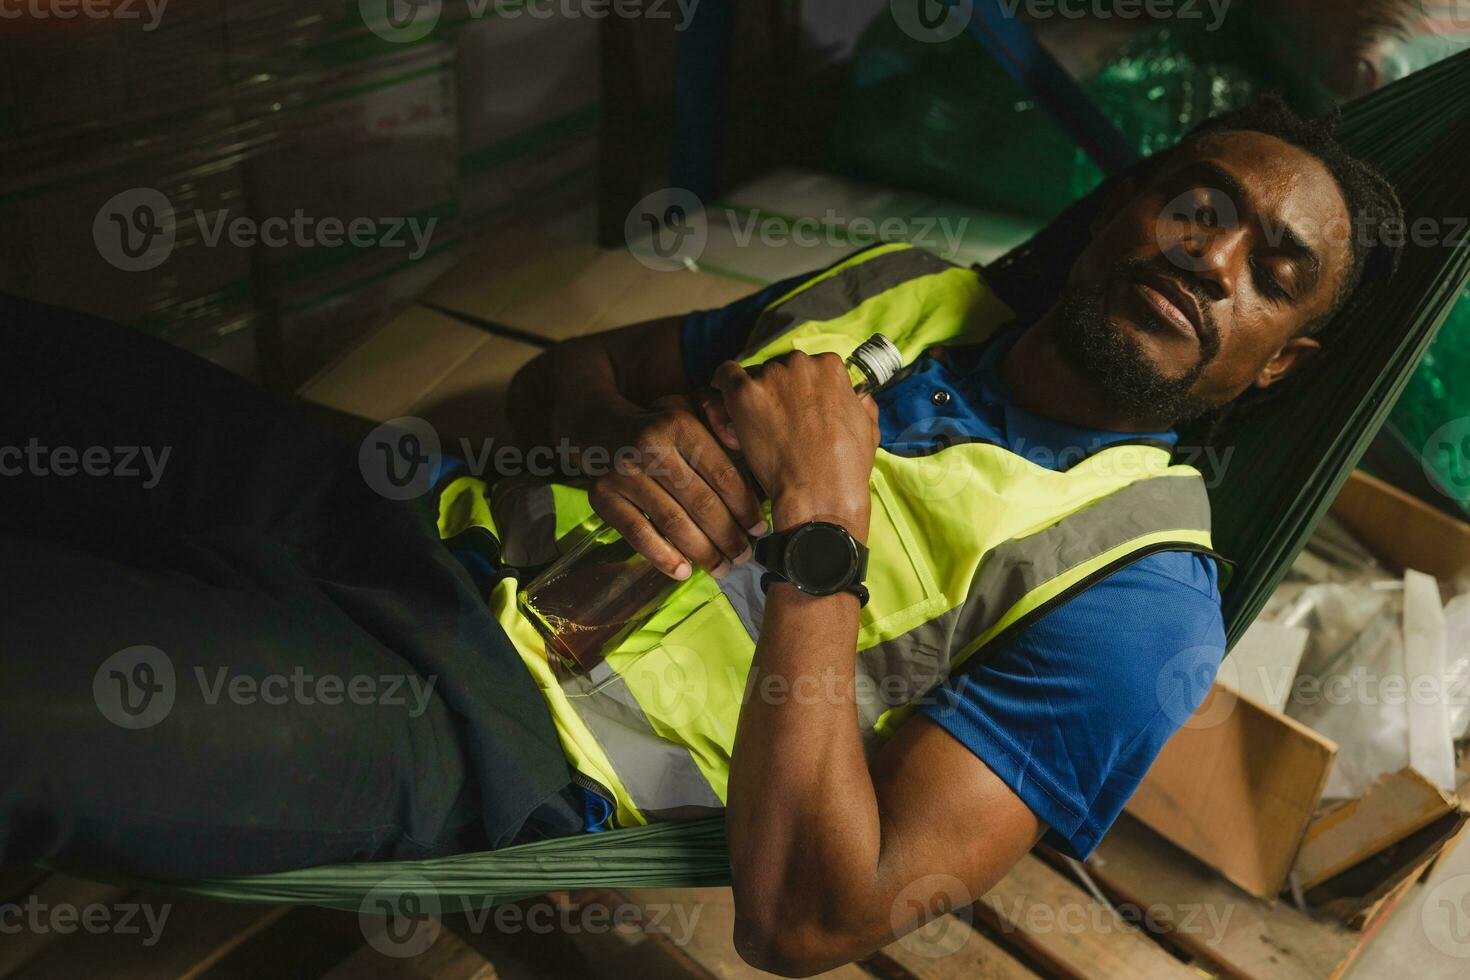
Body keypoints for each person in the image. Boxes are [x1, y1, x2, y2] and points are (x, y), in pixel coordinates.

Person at [0, 96, 1401, 974]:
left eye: (1269, 275)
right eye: (1199, 205)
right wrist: (628, 445)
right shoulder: (904, 283)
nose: (1209, 260)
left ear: (1277, 366)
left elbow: (814, 918)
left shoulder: (1141, 593)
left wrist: (820, 528)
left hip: (474, 718)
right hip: (387, 507)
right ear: (1128, 202)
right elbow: (563, 382)